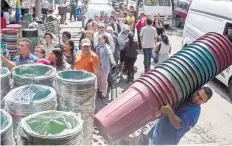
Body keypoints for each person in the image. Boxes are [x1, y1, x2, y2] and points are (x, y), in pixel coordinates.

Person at [148, 87, 213, 145]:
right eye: (197, 94)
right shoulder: (188, 96)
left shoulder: (193, 113)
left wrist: (169, 111)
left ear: (204, 102)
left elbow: (178, 124)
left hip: (166, 140)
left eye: (200, 99)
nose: (196, 98)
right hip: (158, 129)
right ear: (196, 90)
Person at [96, 34, 116, 99]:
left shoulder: (107, 47)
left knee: (104, 81)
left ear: (104, 39)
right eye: (98, 38)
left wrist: (113, 61)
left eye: (100, 38)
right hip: (98, 66)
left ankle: (104, 94)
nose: (99, 40)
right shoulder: (98, 46)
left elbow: (110, 54)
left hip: (104, 67)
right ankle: (100, 91)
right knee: (99, 80)